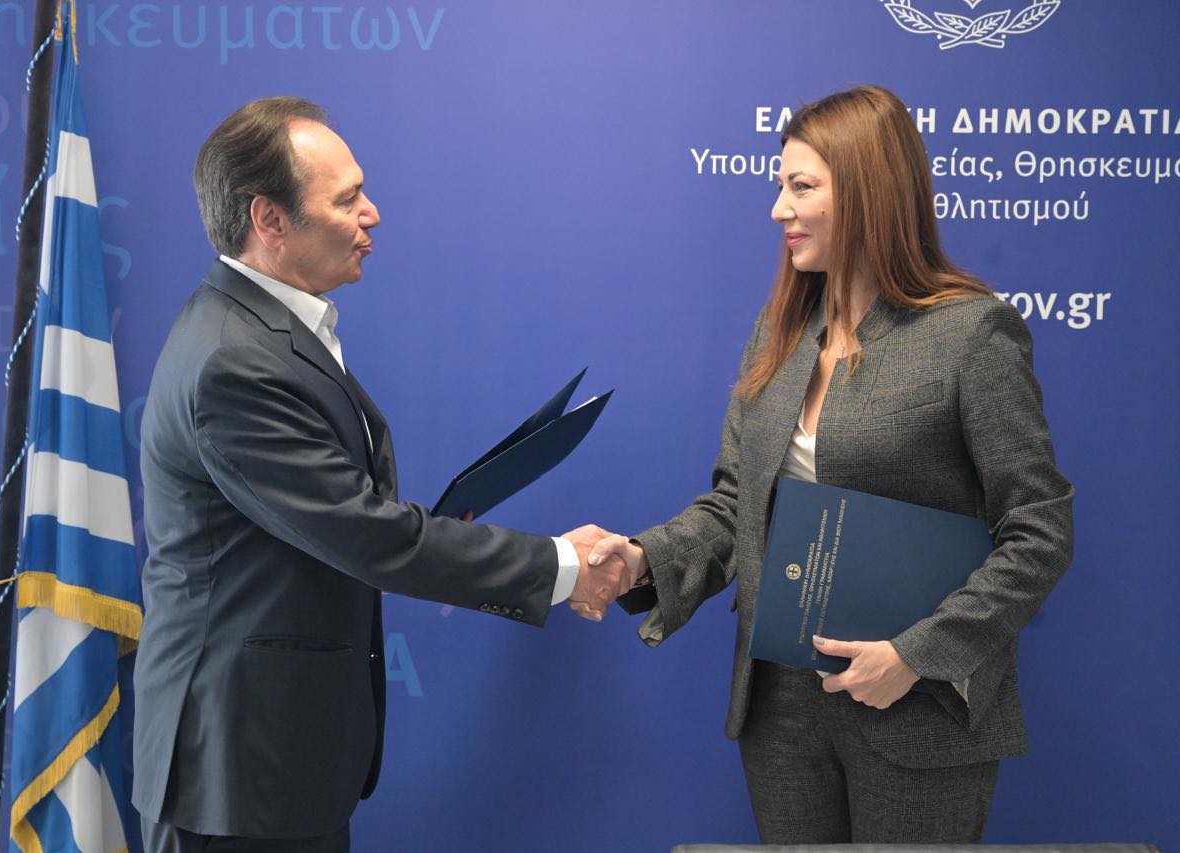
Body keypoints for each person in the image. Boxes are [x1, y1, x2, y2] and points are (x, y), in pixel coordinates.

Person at [131, 97, 628, 853]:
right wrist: (561, 567)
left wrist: (442, 537)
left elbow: (339, 519)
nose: (372, 213)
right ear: (269, 220)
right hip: (235, 773)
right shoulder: (235, 361)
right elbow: (364, 534)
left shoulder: (270, 330)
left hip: (277, 763)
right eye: (346, 199)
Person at [587, 85, 1074, 844]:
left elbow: (1039, 531)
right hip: (781, 709)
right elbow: (736, 505)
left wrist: (916, 655)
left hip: (918, 709)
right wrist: (643, 557)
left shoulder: (971, 334)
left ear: (871, 191)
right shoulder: (778, 330)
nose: (778, 208)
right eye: (780, 185)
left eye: (802, 186)